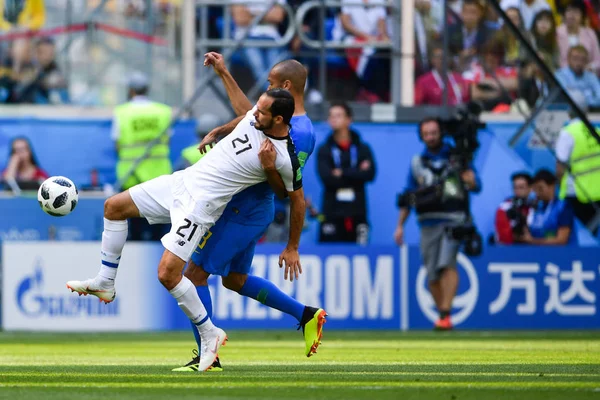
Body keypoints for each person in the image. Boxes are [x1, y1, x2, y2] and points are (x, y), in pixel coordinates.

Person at [66, 88, 306, 372]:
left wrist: (292, 246)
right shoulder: (255, 116)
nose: (255, 113)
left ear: (278, 119)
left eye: (262, 112)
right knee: (113, 207)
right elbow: (243, 113)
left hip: (200, 207)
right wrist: (218, 129)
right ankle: (105, 283)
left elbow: (295, 199)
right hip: (182, 182)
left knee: (168, 274)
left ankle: (210, 334)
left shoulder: (283, 156)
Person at [171, 54, 325, 372]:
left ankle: (207, 356)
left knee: (194, 275)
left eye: (269, 83)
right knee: (235, 280)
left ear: (285, 86)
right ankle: (306, 314)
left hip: (245, 209)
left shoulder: (302, 134)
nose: (265, 89)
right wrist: (224, 77)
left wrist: (292, 246)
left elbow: (293, 193)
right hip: (247, 207)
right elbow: (248, 116)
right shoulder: (272, 116)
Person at [394, 117, 481, 331]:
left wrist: (469, 178)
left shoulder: (457, 157)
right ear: (421, 136)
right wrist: (400, 225)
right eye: (427, 133)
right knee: (432, 271)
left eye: (434, 132)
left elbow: (476, 185)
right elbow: (409, 197)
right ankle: (443, 313)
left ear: (441, 133)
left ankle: (445, 313)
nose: (431, 137)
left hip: (454, 219)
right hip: (427, 221)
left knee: (446, 264)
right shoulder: (417, 162)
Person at [112, 72, 173, 241]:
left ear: (131, 90)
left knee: (133, 229)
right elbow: (167, 141)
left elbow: (117, 144)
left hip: (131, 176)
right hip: (158, 175)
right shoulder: (163, 111)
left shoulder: (122, 112)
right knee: (159, 230)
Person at [316, 102, 376, 243]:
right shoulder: (324, 149)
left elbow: (370, 174)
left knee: (361, 256)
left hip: (358, 212)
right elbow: (327, 179)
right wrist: (357, 173)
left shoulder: (362, 148)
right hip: (332, 213)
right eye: (331, 116)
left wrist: (341, 172)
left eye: (338, 115)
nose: (334, 119)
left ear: (349, 120)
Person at [555, 92, 600, 235]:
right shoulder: (597, 131)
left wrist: (558, 185)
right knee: (591, 235)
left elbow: (560, 167)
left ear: (569, 111)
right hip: (596, 192)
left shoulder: (568, 133)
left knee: (574, 236)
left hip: (575, 192)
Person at [517, 169, 574, 245]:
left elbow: (561, 240)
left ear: (552, 186)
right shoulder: (535, 208)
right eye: (535, 189)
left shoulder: (563, 207)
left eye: (540, 188)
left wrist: (532, 241)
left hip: (562, 255)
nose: (537, 193)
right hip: (538, 254)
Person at [494, 171, 534, 244]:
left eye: (521, 187)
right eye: (515, 187)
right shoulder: (504, 207)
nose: (517, 191)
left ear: (530, 188)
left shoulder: (537, 207)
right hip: (509, 250)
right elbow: (504, 237)